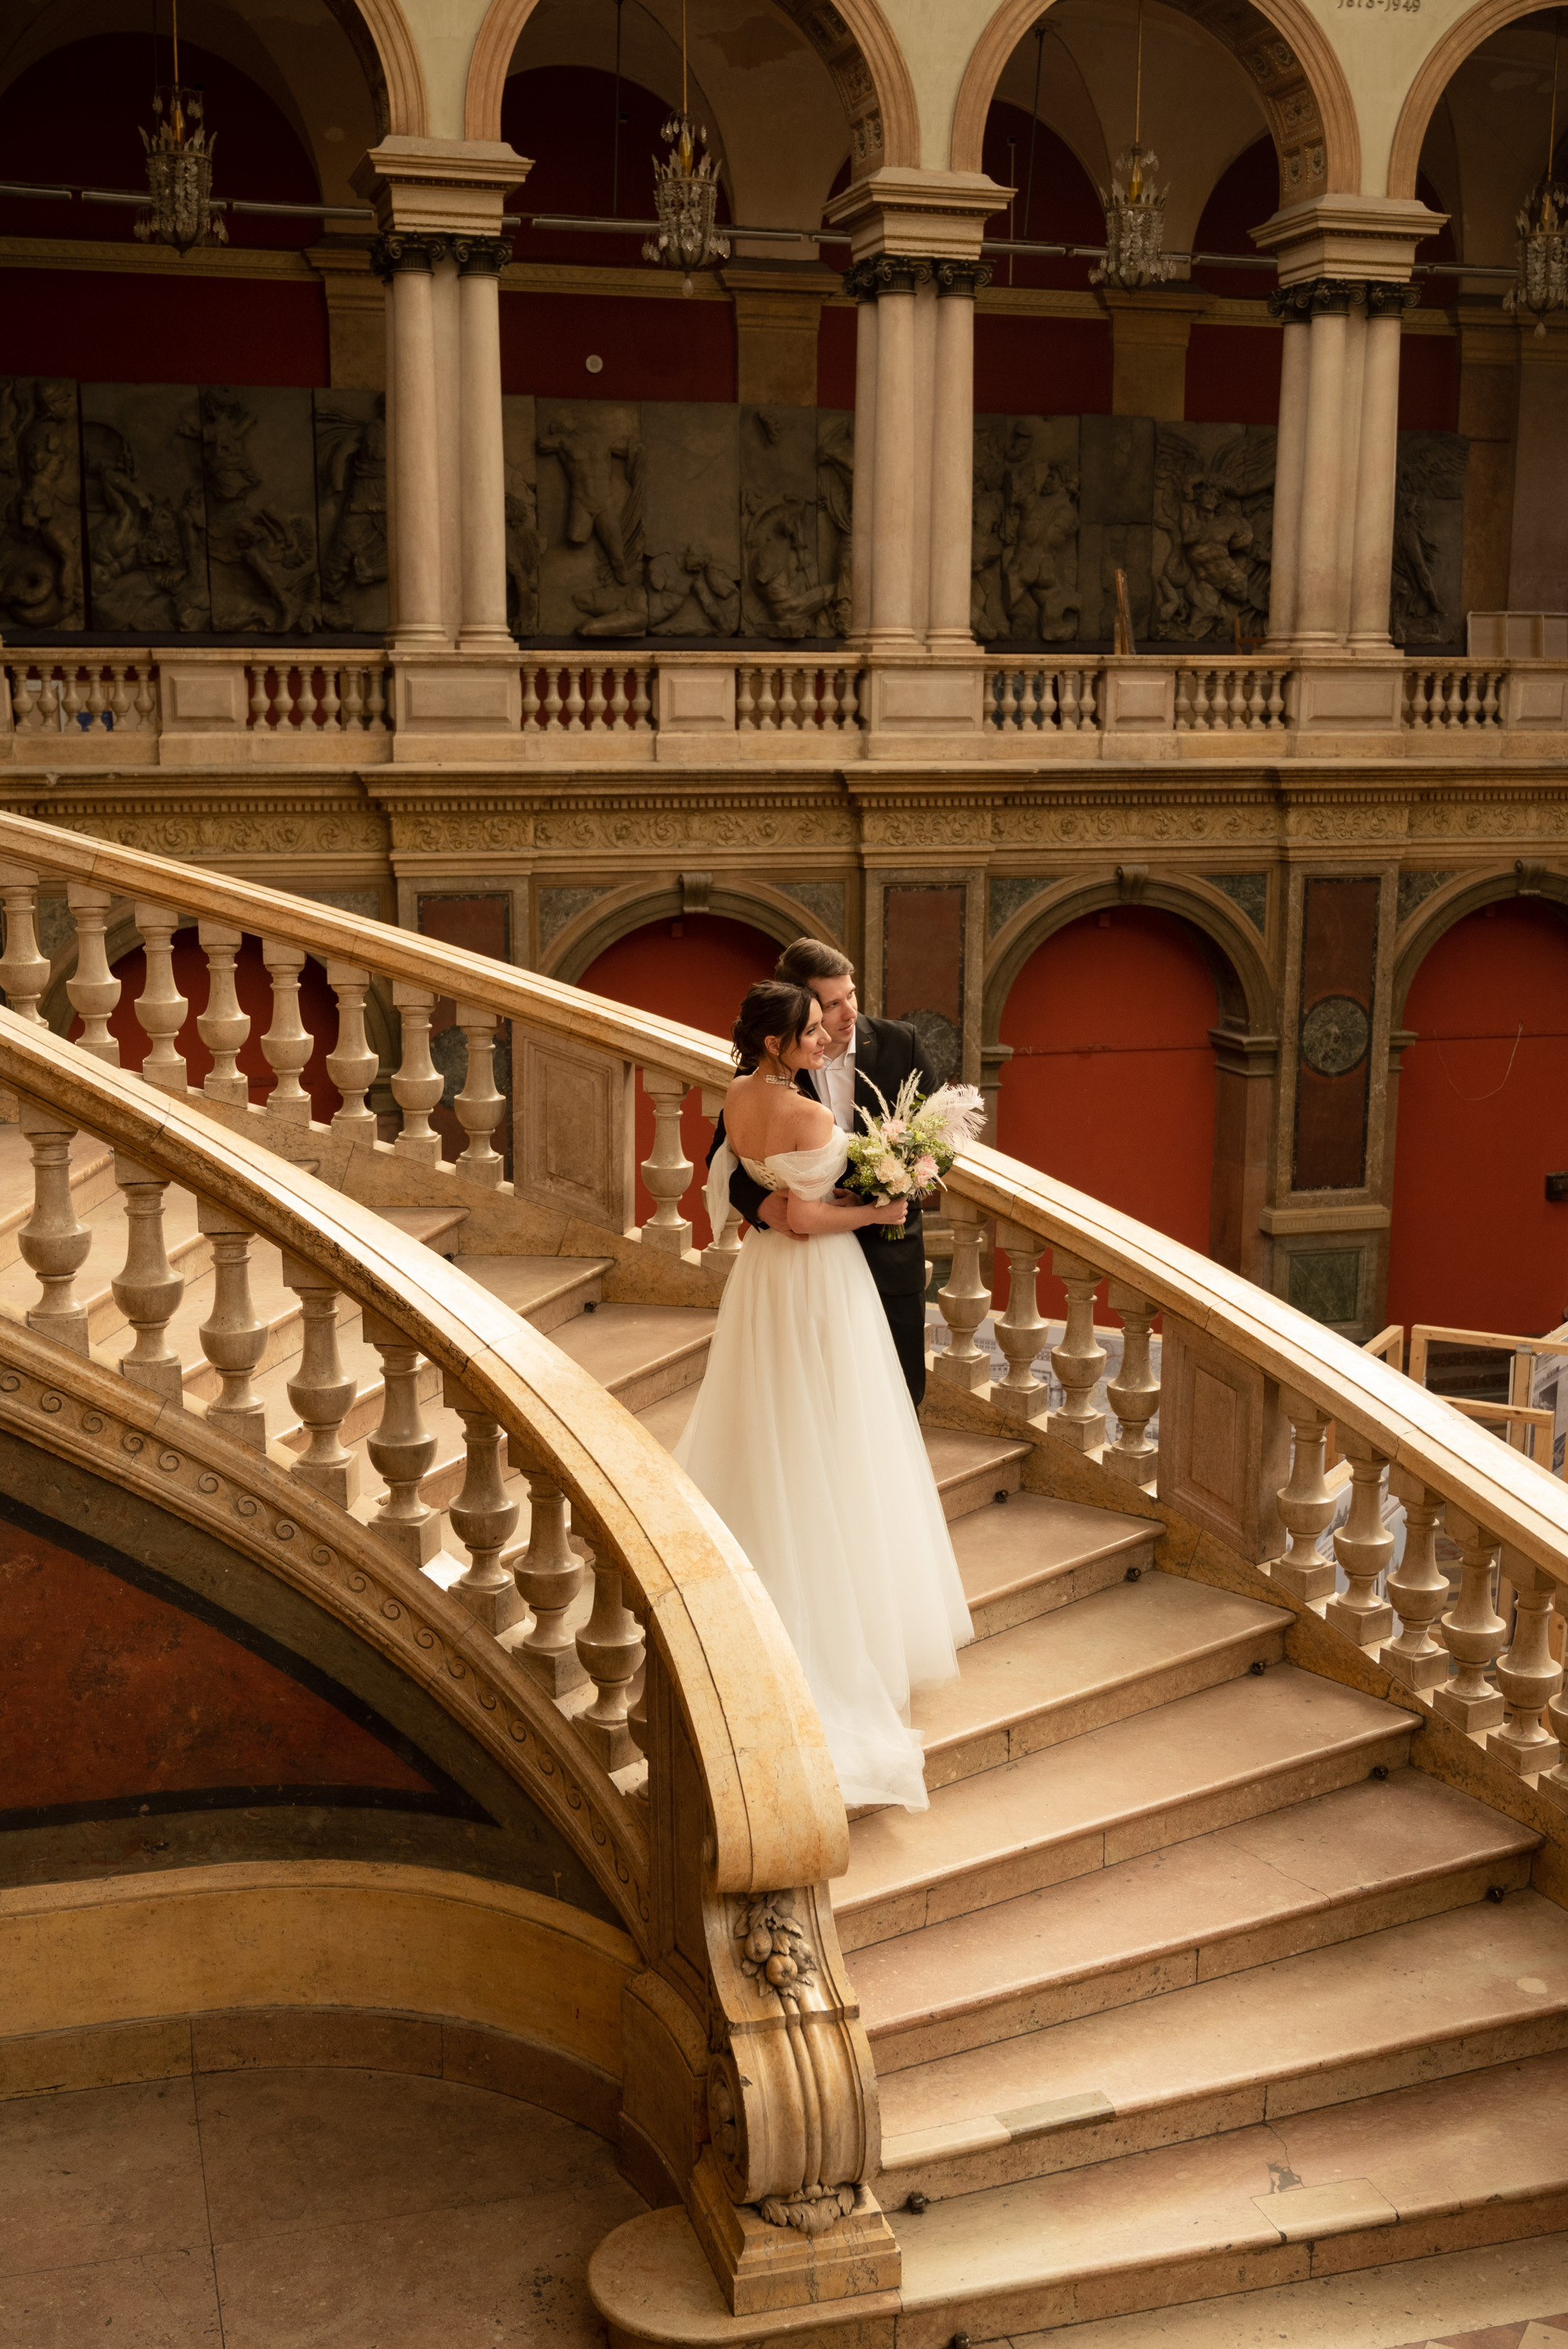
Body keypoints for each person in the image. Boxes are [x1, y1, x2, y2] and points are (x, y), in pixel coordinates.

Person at [675, 982, 972, 1812]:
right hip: (816, 1280)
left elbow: (764, 1193)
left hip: (764, 1281)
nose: (822, 1037)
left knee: (767, 1411)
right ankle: (831, 1612)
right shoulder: (807, 1116)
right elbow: (804, 1218)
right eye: (808, 1029)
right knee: (830, 1423)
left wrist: (796, 1203)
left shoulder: (737, 1093)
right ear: (776, 1041)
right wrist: (881, 1204)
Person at [710, 938, 938, 1407]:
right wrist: (760, 1205)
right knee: (808, 1400)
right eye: (831, 1004)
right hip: (805, 1265)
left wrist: (888, 1192)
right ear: (801, 1005)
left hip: (888, 1255)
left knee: (896, 1400)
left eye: (851, 995)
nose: (848, 1012)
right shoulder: (764, 1073)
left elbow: (940, 1137)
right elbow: (725, 1156)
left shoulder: (902, 1043)